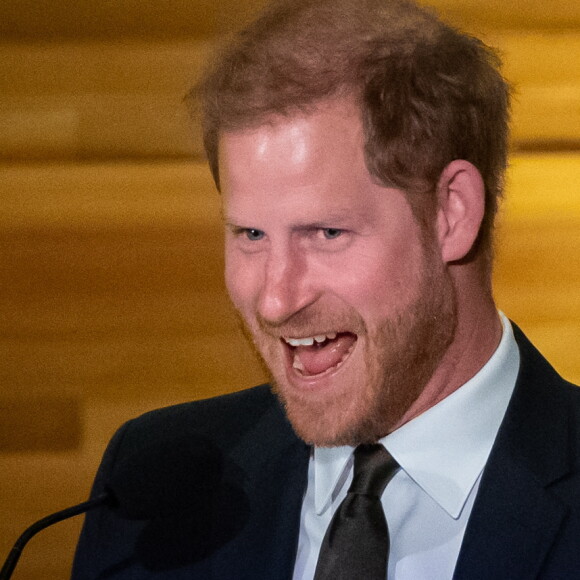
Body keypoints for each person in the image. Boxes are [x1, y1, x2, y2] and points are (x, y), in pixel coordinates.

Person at [72, 0, 580, 578]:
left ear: (451, 214)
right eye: (251, 233)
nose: (275, 301)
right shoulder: (149, 491)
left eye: (326, 233)